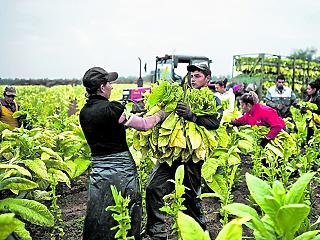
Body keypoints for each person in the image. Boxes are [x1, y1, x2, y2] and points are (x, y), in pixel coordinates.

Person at [79, 67, 167, 240]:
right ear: (102, 87)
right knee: (127, 207)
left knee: (100, 209)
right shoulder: (112, 109)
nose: (112, 87)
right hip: (121, 170)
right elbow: (144, 125)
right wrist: (161, 114)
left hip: (98, 170)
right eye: (109, 83)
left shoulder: (84, 112)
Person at [145, 64, 223, 239]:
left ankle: (197, 232)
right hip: (171, 153)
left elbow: (215, 123)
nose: (193, 79)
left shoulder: (213, 100)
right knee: (153, 187)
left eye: (198, 76)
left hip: (192, 156)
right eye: (192, 76)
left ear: (208, 79)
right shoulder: (180, 95)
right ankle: (156, 230)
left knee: (191, 195)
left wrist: (192, 117)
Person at [301, 79, 320, 143]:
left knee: (314, 135)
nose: (307, 90)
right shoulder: (308, 97)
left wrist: (311, 110)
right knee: (309, 134)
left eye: (309, 89)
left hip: (317, 121)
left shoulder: (318, 98)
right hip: (310, 120)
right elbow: (304, 107)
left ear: (314, 89)